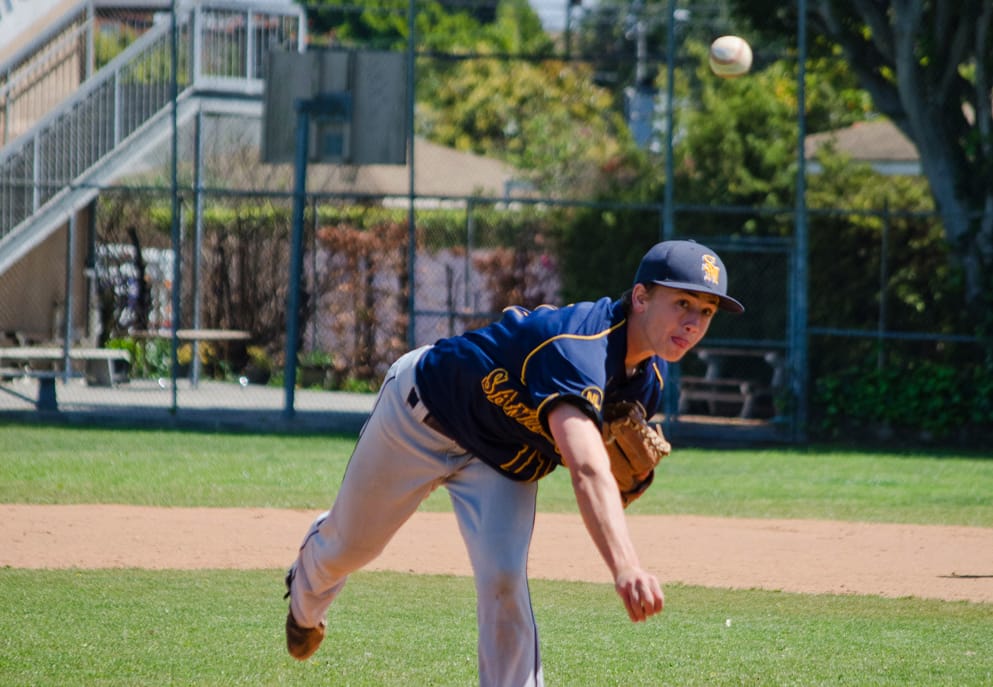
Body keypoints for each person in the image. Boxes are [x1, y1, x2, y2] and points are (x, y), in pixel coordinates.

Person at [283, 239, 744, 686]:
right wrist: (626, 566)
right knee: (350, 547)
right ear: (641, 297)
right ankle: (306, 600)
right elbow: (586, 469)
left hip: (501, 460)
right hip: (421, 416)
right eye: (682, 302)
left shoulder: (648, 383)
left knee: (505, 581)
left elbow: (601, 469)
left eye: (705, 312)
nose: (693, 322)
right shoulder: (577, 347)